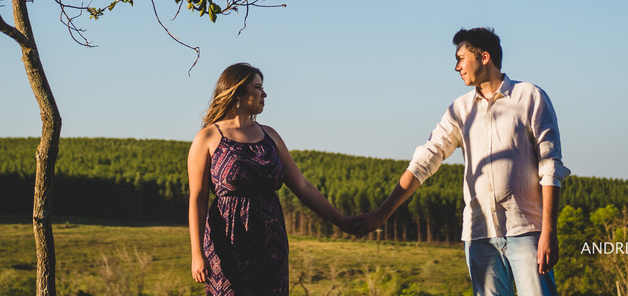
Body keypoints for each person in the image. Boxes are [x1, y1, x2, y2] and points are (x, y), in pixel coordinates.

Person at [350, 27, 570, 296]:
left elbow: (549, 168)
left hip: (527, 232)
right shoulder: (459, 110)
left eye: (461, 58)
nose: (456, 67)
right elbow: (425, 160)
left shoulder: (530, 97)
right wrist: (381, 215)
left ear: (484, 57)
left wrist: (549, 232)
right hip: (479, 237)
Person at [188, 63, 350, 294]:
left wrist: (341, 221)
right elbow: (197, 199)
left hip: (270, 244)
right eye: (258, 87)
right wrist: (197, 253)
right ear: (238, 92)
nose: (264, 94)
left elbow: (302, 186)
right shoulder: (207, 138)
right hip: (227, 243)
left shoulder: (270, 136)